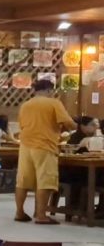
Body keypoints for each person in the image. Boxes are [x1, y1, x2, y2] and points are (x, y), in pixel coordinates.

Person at [15, 79, 76, 224]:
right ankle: (41, 215)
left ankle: (19, 212)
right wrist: (73, 126)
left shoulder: (26, 105)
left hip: (25, 145)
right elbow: (69, 123)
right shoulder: (53, 103)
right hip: (44, 145)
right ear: (49, 90)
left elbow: (22, 125)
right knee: (45, 180)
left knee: (23, 180)